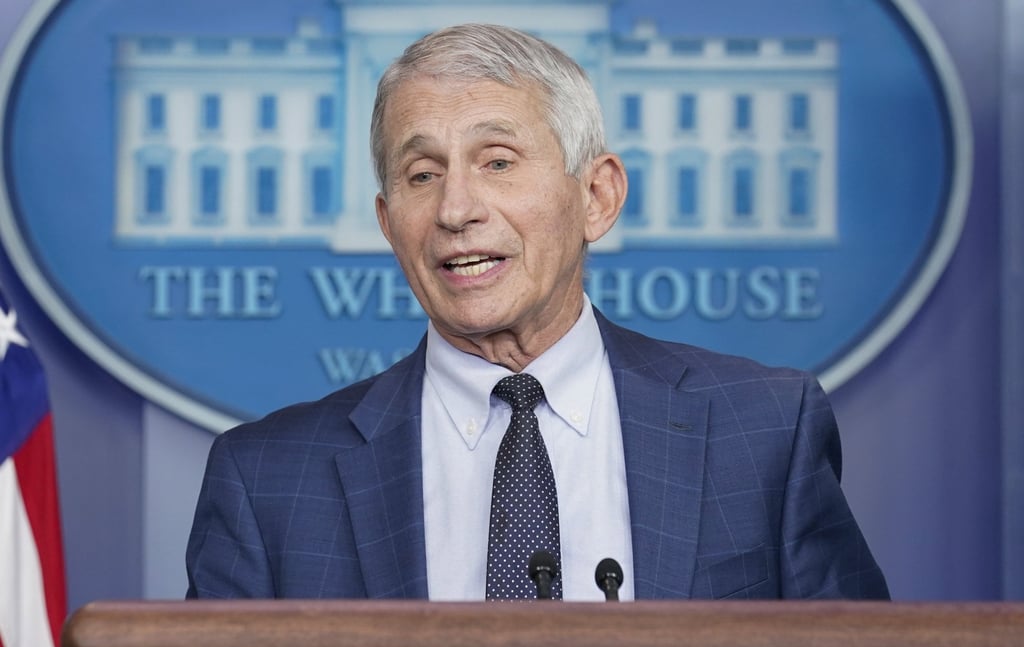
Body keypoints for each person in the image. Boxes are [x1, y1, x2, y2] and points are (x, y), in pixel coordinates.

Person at [186, 23, 889, 601]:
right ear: (387, 220)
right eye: (422, 175)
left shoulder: (764, 432)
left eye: (497, 162)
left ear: (597, 197)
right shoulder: (267, 481)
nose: (456, 209)